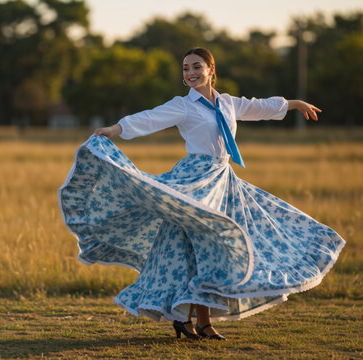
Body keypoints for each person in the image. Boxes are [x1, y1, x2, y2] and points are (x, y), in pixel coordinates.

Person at [58, 47, 345, 341]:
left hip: (222, 181)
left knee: (214, 248)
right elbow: (149, 118)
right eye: (185, 69)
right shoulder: (184, 106)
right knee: (203, 247)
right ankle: (195, 320)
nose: (191, 73)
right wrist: (115, 129)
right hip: (194, 180)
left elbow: (260, 107)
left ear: (210, 69)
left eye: (196, 67)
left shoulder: (229, 103)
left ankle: (192, 319)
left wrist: (295, 104)